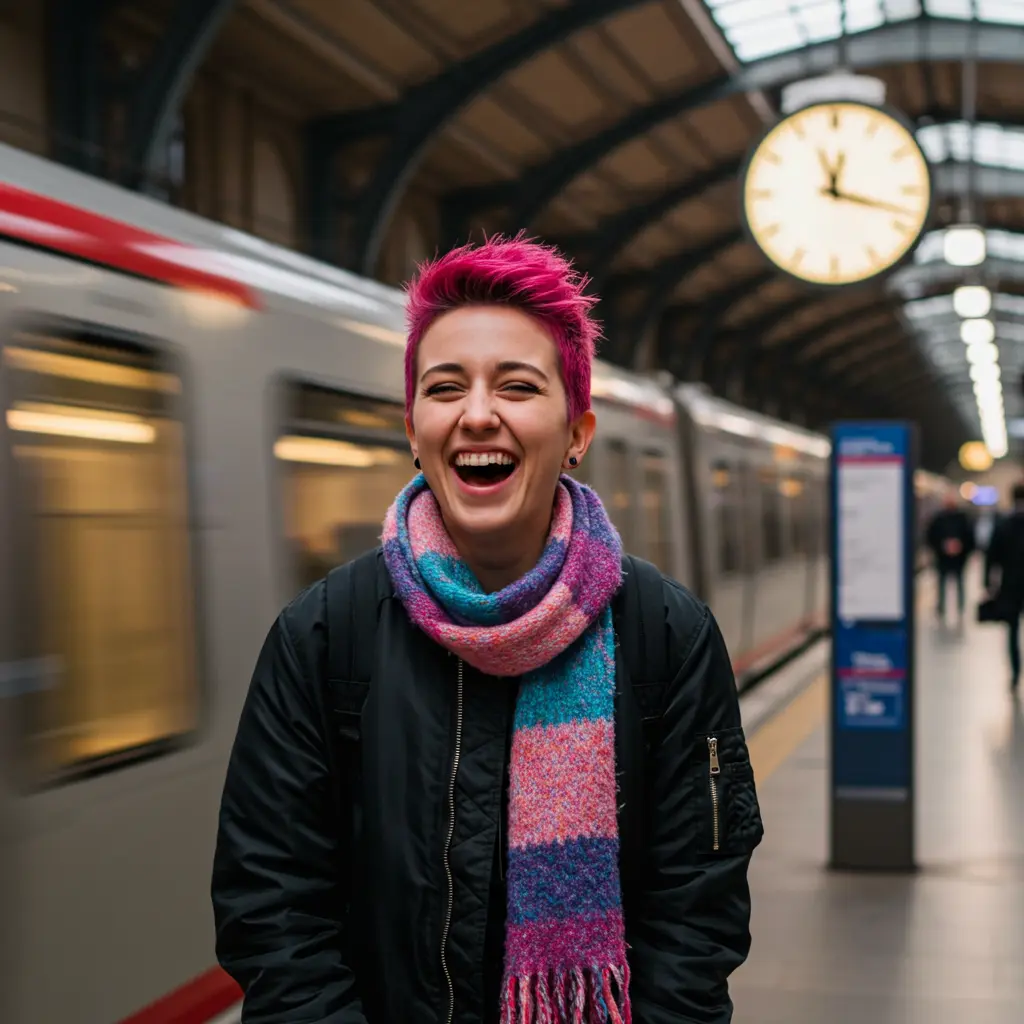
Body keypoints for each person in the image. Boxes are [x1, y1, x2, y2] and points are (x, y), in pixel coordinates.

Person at [211, 236, 764, 1023]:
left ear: (577, 431)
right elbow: (271, 899)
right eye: (445, 388)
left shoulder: (665, 636)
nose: (477, 415)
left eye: (517, 386)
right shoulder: (325, 635)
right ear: (413, 427)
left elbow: (697, 913)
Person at [984, 482, 1024, 691]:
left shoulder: (1004, 524)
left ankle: (1016, 673)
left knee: (1012, 631)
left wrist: (988, 583)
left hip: (1010, 586)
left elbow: (991, 557)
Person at [925, 494, 975, 622]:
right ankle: (941, 608)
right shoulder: (939, 519)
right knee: (942, 584)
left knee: (959, 583)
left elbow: (970, 538)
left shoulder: (963, 518)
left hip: (959, 559)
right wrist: (942, 546)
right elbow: (930, 537)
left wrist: (961, 547)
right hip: (942, 558)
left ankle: (961, 607)